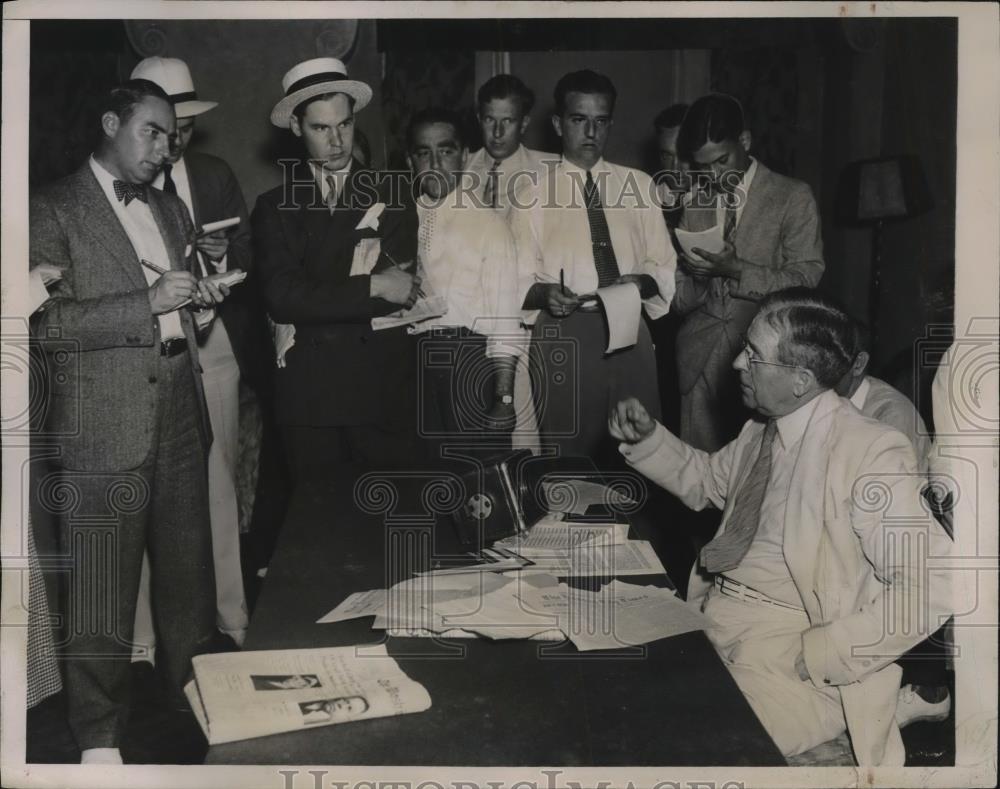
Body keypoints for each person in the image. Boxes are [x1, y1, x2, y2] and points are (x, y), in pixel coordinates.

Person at [610, 289, 951, 764]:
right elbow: (706, 482)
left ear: (800, 380)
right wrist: (649, 440)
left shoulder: (870, 451)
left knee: (670, 744)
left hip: (789, 664)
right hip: (714, 624)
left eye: (753, 355)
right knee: (607, 701)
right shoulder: (761, 430)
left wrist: (824, 654)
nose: (735, 365)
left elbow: (934, 584)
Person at [30, 78, 230, 764]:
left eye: (171, 136)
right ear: (111, 121)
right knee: (99, 591)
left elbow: (180, 309)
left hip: (179, 405)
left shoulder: (172, 210)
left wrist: (201, 298)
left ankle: (195, 699)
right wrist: (145, 299)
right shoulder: (49, 206)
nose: (164, 147)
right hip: (100, 421)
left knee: (187, 581)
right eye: (151, 131)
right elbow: (41, 326)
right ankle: (98, 738)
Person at [130, 55, 266, 650]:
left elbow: (248, 258)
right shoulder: (119, 182)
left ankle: (230, 618)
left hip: (212, 347)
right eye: (162, 126)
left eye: (183, 124)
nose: (174, 138)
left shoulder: (212, 172)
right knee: (140, 489)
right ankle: (141, 636)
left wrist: (218, 256)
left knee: (219, 483)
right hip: (145, 356)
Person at [252, 58, 424, 479]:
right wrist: (372, 285)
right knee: (317, 527)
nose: (337, 141)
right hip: (309, 399)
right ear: (296, 128)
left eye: (345, 125)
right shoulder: (273, 207)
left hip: (380, 390)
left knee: (386, 526)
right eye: (320, 128)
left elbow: (398, 294)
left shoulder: (394, 193)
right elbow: (283, 298)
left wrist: (327, 291)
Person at [515, 69, 676, 466]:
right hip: (563, 335)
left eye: (600, 121)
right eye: (578, 119)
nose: (590, 132)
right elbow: (514, 279)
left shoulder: (639, 187)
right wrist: (543, 293)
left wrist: (641, 281)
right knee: (570, 456)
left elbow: (664, 265)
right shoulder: (531, 195)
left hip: (629, 333)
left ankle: (639, 528)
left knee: (642, 450)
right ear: (557, 124)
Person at [672, 93, 824, 453]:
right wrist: (700, 277)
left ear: (745, 141)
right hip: (698, 362)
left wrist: (737, 269)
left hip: (768, 366)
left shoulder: (792, 196)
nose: (712, 175)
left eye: (721, 161)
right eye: (702, 166)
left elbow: (806, 282)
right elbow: (677, 301)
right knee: (695, 484)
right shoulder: (694, 202)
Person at [405, 108, 525, 446]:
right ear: (409, 160)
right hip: (411, 363)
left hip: (467, 363)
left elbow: (505, 321)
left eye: (445, 151)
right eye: (423, 153)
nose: (435, 163)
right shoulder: (398, 222)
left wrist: (503, 400)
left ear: (465, 155)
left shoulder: (489, 226)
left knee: (476, 482)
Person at [834, 316, 933, 472]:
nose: (817, 369)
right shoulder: (830, 400)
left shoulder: (892, 416)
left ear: (858, 364)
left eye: (829, 360)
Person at [466, 74, 549, 215]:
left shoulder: (549, 172)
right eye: (489, 120)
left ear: (524, 123)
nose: (498, 132)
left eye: (508, 121)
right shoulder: (461, 170)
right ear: (479, 120)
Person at [651, 102, 690, 228]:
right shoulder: (648, 200)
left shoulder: (719, 202)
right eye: (667, 156)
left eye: (684, 155)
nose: (675, 168)